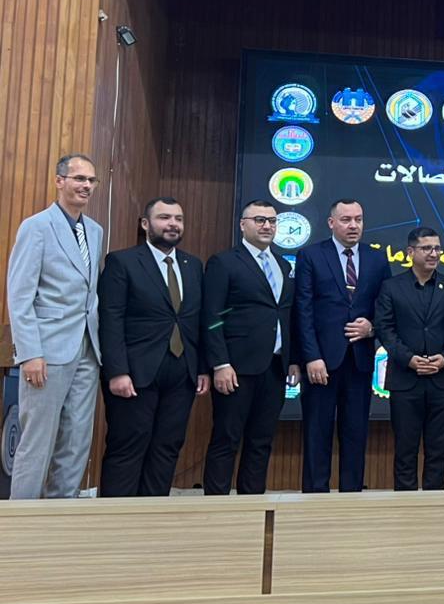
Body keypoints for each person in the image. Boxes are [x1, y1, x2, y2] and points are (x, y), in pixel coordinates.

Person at [6, 154, 103, 499]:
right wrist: (30, 353)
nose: (86, 186)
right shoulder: (36, 226)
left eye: (91, 180)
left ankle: (62, 515)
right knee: (38, 441)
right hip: (46, 351)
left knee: (77, 439)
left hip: (87, 349)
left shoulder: (94, 231)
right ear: (59, 181)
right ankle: (21, 519)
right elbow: (20, 296)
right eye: (79, 179)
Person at [98, 198, 207, 496]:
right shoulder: (122, 261)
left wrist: (202, 368)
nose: (173, 224)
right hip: (135, 372)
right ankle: (117, 517)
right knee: (128, 445)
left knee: (168, 446)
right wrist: (117, 371)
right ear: (146, 224)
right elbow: (110, 318)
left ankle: (154, 514)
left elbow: (200, 320)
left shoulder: (193, 265)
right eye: (164, 217)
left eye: (178, 219)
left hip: (182, 371)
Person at [294, 198, 391, 492]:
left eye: (358, 219)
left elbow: (386, 308)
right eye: (346, 219)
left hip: (359, 362)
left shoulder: (377, 259)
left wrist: (372, 327)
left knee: (355, 434)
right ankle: (315, 498)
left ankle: (352, 497)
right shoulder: (311, 255)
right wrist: (311, 356)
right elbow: (303, 310)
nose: (353, 225)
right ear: (331, 223)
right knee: (317, 434)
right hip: (321, 362)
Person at [201, 199, 296, 495]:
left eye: (272, 220)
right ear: (243, 225)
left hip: (275, 367)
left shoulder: (283, 265)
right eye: (259, 220)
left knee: (261, 440)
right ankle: (216, 506)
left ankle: (252, 503)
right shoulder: (224, 262)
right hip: (236, 368)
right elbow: (212, 317)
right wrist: (220, 363)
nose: (267, 225)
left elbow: (286, 314)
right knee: (226, 439)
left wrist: (293, 359)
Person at [373, 226, 444, 491]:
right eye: (426, 248)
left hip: (441, 379)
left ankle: (434, 504)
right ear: (410, 252)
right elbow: (385, 329)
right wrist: (409, 359)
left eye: (437, 248)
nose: (433, 254)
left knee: (438, 448)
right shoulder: (391, 287)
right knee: (405, 448)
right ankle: (405, 505)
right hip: (405, 379)